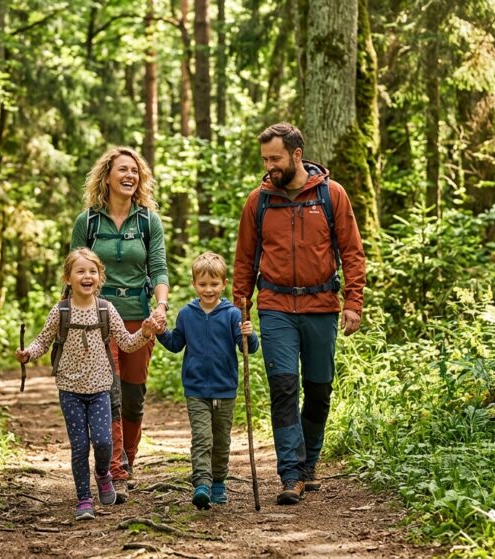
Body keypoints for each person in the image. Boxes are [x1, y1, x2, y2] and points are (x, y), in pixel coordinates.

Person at [232, 123, 366, 506]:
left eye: (275, 158)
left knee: (320, 388)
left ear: (295, 154)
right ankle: (290, 473)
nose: (269, 166)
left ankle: (310, 465)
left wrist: (353, 302)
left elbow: (352, 252)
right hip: (275, 308)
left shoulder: (331, 195)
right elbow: (244, 260)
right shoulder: (258, 201)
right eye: (264, 159)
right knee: (284, 387)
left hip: (321, 305)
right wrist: (240, 306)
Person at [16, 248, 159, 521]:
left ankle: (103, 474)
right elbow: (43, 341)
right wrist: (28, 354)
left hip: (100, 388)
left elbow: (128, 343)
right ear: (68, 278)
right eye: (80, 271)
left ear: (100, 277)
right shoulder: (61, 311)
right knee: (80, 445)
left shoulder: (106, 309)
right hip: (69, 389)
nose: (87, 276)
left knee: (104, 442)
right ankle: (84, 499)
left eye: (92, 271)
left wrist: (145, 332)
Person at [71, 146, 169, 499]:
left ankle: (127, 458)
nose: (130, 176)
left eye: (135, 171)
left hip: (138, 316)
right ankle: (114, 470)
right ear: (107, 177)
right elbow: (73, 269)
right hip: (96, 318)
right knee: (108, 392)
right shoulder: (88, 222)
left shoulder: (147, 221)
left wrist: (160, 306)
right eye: (122, 170)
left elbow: (158, 267)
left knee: (132, 393)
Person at [156, 252, 258, 509]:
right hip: (196, 388)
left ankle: (219, 483)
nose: (208, 289)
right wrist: (160, 333)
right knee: (202, 438)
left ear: (223, 284)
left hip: (225, 388)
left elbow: (249, 349)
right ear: (194, 285)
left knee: (221, 440)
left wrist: (250, 334)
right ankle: (201, 483)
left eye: (214, 284)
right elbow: (176, 343)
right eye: (203, 284)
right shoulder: (187, 314)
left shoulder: (233, 314)